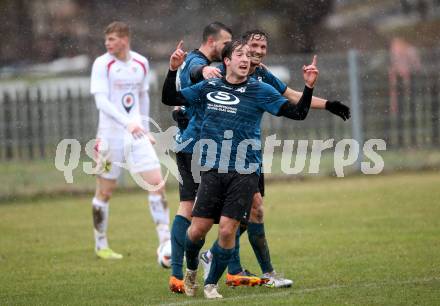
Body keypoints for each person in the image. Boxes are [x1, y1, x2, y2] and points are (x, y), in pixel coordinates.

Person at [162, 39, 318, 299]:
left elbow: (299, 113)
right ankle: (190, 270)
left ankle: (211, 283)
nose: (246, 59)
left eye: (248, 55)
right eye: (240, 54)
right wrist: (172, 69)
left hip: (245, 172)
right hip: (211, 169)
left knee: (226, 230)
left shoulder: (260, 90)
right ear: (227, 61)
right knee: (198, 229)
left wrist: (309, 87)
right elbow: (170, 97)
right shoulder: (210, 85)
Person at [193, 29, 350, 288]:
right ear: (239, 49)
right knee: (248, 212)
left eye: (263, 47)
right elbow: (195, 87)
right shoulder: (225, 71)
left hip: (249, 154)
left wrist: (329, 104)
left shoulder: (263, 74)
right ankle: (258, 271)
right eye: (253, 45)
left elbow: (292, 97)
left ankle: (216, 258)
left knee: (246, 214)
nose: (258, 51)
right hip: (221, 157)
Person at [90, 21, 170, 260]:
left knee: (157, 184)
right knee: (105, 191)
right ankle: (101, 244)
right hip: (109, 136)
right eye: (106, 40)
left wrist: (144, 128)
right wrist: (127, 123)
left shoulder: (141, 63)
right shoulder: (102, 64)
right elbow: (101, 102)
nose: (108, 44)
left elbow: (142, 96)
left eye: (112, 39)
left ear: (125, 39)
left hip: (137, 135)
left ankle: (166, 244)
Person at [168, 22, 232, 293]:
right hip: (198, 143)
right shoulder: (197, 61)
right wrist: (203, 71)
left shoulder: (188, 60)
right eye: (226, 42)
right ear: (211, 41)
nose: (229, 47)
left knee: (187, 206)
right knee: (231, 212)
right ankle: (212, 261)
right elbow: (197, 72)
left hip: (186, 141)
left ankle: (176, 274)